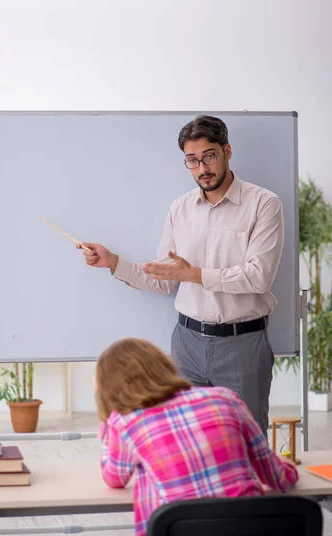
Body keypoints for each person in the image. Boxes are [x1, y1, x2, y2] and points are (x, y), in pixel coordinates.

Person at [78, 115, 284, 435]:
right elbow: (164, 280)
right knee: (190, 441)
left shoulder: (264, 204)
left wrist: (197, 275)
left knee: (246, 441)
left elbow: (259, 278)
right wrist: (113, 261)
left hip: (242, 343)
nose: (203, 168)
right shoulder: (180, 208)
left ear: (227, 151)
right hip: (187, 344)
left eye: (210, 156)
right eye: (192, 160)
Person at [95, 338, 298, 536]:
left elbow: (114, 478)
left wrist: (108, 425)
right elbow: (278, 478)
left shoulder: (126, 423)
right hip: (249, 527)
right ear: (162, 365)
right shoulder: (224, 398)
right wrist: (291, 469)